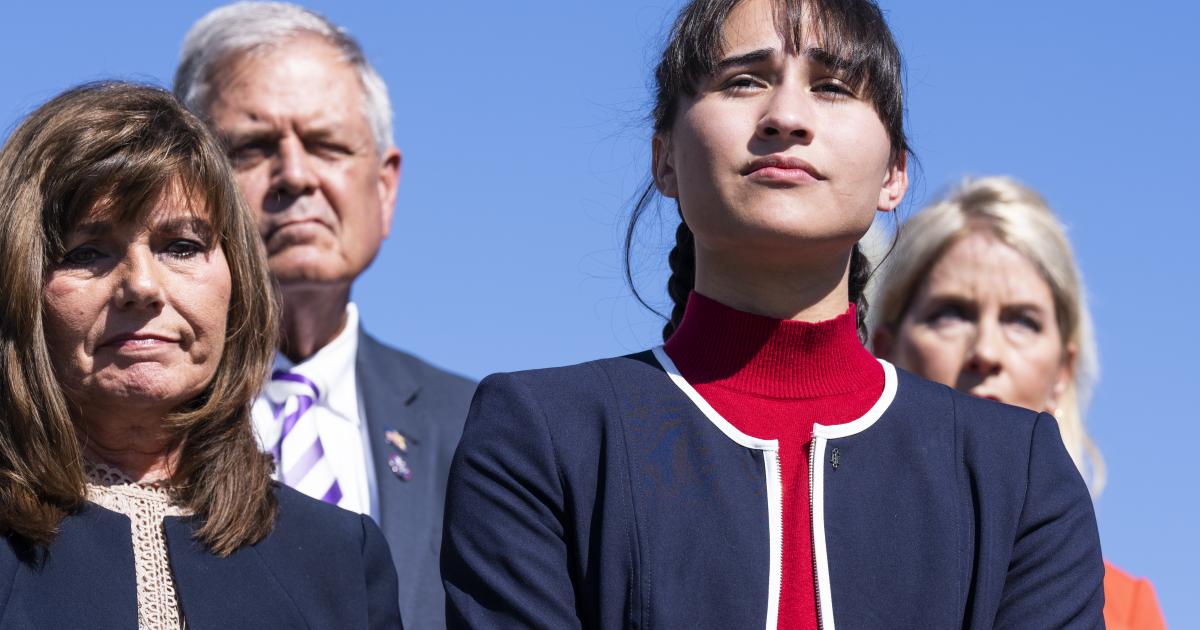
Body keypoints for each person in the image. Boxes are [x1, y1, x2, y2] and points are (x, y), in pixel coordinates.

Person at [441, 0, 1105, 627]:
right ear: (664, 159)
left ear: (893, 174)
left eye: (833, 87)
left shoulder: (1019, 473)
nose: (786, 117)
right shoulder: (541, 438)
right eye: (743, 81)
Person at [0, 82, 400, 629]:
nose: (142, 286)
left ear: (238, 281)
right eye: (87, 252)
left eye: (182, 246)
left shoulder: (340, 559)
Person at [173, 4, 475, 626]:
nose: (295, 175)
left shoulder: (478, 426)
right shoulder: (119, 421)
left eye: (327, 145)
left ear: (385, 188)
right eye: (252, 148)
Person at [870, 176, 1166, 630]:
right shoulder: (819, 553)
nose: (985, 351)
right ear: (885, 350)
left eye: (1022, 321)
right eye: (951, 313)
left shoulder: (1124, 610)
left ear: (1061, 372)